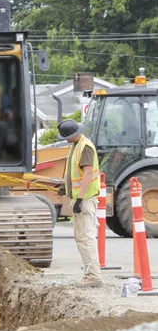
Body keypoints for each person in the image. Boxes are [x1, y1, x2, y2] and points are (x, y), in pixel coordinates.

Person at [58, 119, 102, 288]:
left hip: (86, 198)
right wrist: (67, 190)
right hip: (80, 197)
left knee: (86, 237)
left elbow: (88, 173)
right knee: (82, 238)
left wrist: (80, 198)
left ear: (72, 135)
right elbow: (76, 173)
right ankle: (90, 274)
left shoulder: (85, 147)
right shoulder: (77, 146)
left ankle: (93, 276)